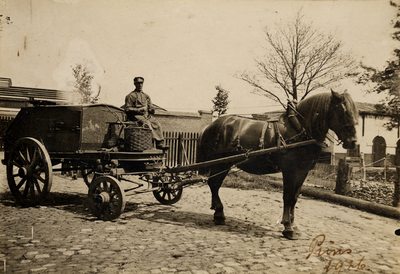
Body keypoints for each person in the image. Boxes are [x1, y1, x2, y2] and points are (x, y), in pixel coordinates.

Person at [124, 77, 168, 149]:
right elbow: (127, 109)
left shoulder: (146, 96)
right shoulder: (130, 96)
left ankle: (159, 143)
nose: (140, 85)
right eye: (138, 83)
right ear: (134, 84)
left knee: (157, 124)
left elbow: (150, 107)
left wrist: (151, 110)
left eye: (141, 83)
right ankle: (149, 144)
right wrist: (138, 110)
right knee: (147, 124)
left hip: (146, 115)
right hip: (135, 116)